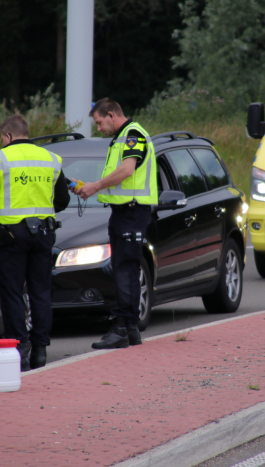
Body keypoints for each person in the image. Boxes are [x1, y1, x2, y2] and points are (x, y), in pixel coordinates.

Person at [0, 115, 70, 371]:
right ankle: (41, 350)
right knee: (40, 291)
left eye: (2, 138)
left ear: (8, 136)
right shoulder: (51, 159)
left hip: (12, 237)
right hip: (43, 234)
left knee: (12, 292)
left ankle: (20, 348)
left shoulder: (0, 158)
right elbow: (62, 200)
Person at [72, 98, 158, 349]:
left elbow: (127, 170)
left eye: (99, 122)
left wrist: (96, 186)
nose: (99, 128)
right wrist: (89, 187)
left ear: (111, 114)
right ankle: (130, 330)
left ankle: (121, 328)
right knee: (126, 269)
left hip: (132, 211)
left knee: (124, 269)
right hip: (123, 212)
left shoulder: (133, 135)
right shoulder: (122, 137)